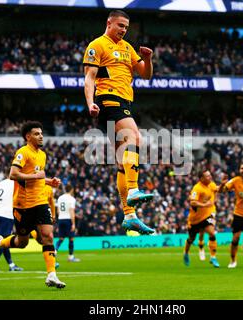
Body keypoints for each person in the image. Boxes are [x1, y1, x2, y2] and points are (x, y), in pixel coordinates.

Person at [83, 10, 155, 235]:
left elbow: (146, 75)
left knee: (123, 160)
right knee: (135, 138)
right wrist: (90, 103)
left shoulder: (128, 48)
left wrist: (148, 58)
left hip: (125, 101)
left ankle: (129, 215)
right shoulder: (98, 45)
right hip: (108, 100)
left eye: (126, 27)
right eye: (120, 26)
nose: (123, 30)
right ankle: (133, 191)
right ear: (109, 23)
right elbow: (89, 78)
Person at [0, 121, 65, 288]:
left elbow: (35, 175)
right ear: (28, 137)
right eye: (37, 134)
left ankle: (51, 275)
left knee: (48, 236)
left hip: (40, 202)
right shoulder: (23, 152)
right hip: (23, 205)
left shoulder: (42, 155)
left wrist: (48, 181)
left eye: (41, 133)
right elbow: (13, 174)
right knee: (22, 242)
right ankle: (1, 243)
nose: (41, 136)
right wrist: (38, 177)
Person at [183, 169, 220, 268]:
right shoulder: (197, 188)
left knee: (211, 232)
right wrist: (204, 205)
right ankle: (186, 253)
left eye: (210, 175)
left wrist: (225, 185)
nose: (210, 177)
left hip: (207, 215)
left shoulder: (211, 184)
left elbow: (217, 189)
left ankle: (213, 257)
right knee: (191, 239)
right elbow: (192, 202)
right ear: (201, 178)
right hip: (195, 219)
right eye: (207, 176)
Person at [0, 178, 23, 273]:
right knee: (2, 242)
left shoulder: (0, 184)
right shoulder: (16, 184)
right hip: (7, 215)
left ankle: (11, 265)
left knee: (4, 241)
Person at [56, 184, 80, 262]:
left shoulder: (60, 198)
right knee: (71, 238)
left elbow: (58, 211)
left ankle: (54, 251)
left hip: (61, 219)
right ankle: (71, 257)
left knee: (61, 238)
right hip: (68, 220)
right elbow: (71, 211)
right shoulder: (71, 199)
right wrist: (73, 223)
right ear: (71, 190)